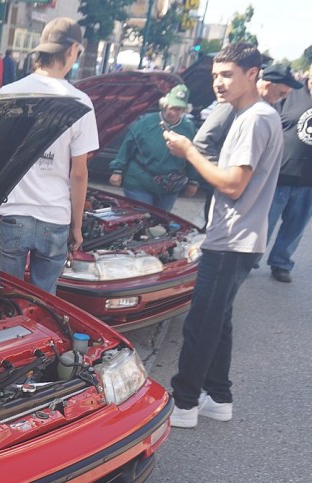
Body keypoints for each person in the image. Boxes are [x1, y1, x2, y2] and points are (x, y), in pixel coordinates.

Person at [162, 43, 284, 428]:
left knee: (200, 323)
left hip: (232, 239)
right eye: (216, 75)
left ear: (253, 74)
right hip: (239, 237)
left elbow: (232, 184)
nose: (218, 82)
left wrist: (188, 152)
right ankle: (218, 396)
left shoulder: (253, 119)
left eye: (228, 74)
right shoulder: (254, 115)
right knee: (219, 320)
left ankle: (183, 404)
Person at [0, 17, 98, 295]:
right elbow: (78, 173)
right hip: (55, 217)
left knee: (9, 297)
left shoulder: (8, 93)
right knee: (45, 300)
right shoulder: (80, 102)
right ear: (71, 51)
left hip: (14, 213)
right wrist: (77, 227)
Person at [193, 63, 301, 228]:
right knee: (211, 239)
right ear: (267, 85)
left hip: (245, 192)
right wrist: (222, 176)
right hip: (225, 188)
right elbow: (202, 141)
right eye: (281, 93)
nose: (283, 98)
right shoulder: (234, 103)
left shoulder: (271, 105)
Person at [108, 83, 199, 211]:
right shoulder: (145, 122)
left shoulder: (188, 127)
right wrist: (117, 170)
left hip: (169, 187)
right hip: (140, 181)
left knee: (160, 224)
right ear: (164, 105)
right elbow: (127, 146)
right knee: (142, 217)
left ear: (184, 110)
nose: (173, 112)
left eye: (178, 109)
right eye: (171, 107)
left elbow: (192, 155)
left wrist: (193, 181)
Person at [264, 71, 312, 283]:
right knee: (264, 222)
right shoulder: (293, 91)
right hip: (279, 175)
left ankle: (281, 263)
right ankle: (249, 259)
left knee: (295, 227)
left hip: (308, 181)